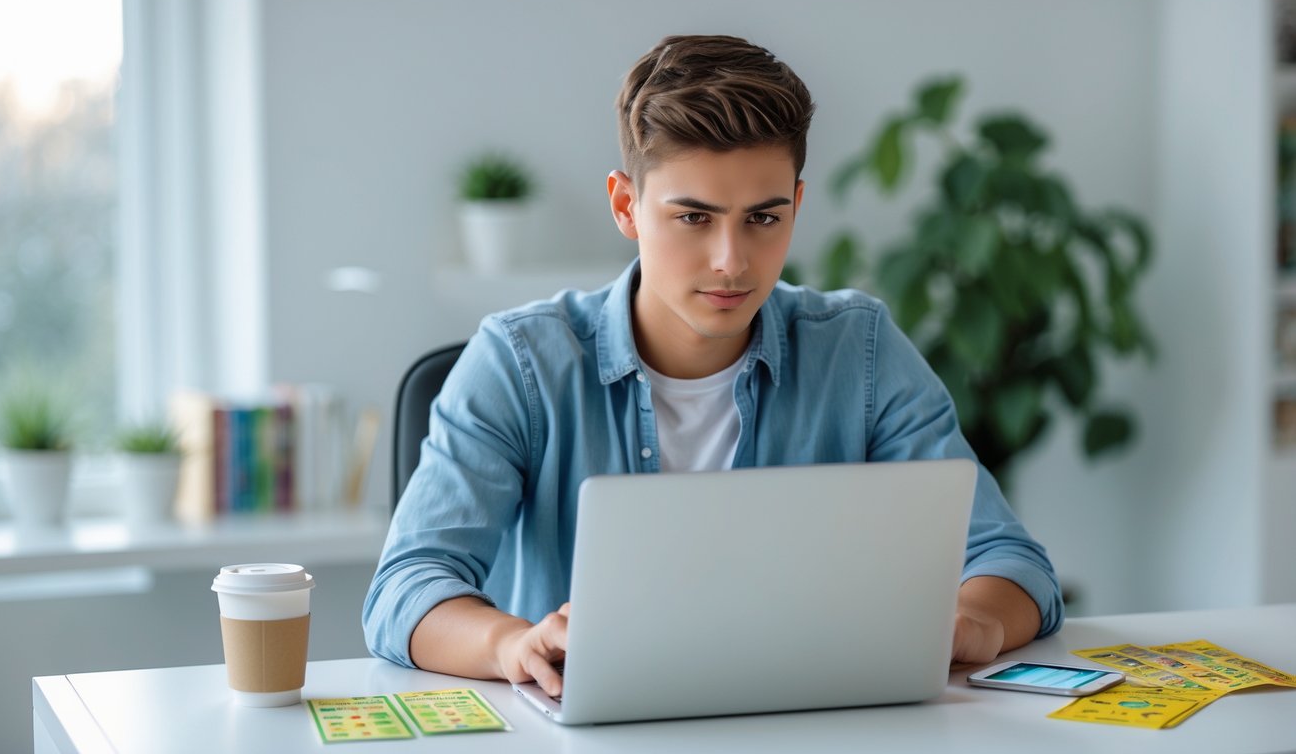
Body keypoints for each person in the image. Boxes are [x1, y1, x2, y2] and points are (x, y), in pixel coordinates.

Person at [364, 34, 1063, 698]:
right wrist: (507, 646)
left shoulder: (860, 350)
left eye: (762, 218)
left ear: (796, 205)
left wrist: (975, 622)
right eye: (693, 218)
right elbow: (405, 589)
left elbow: (1012, 563)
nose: (731, 261)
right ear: (625, 206)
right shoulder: (518, 362)